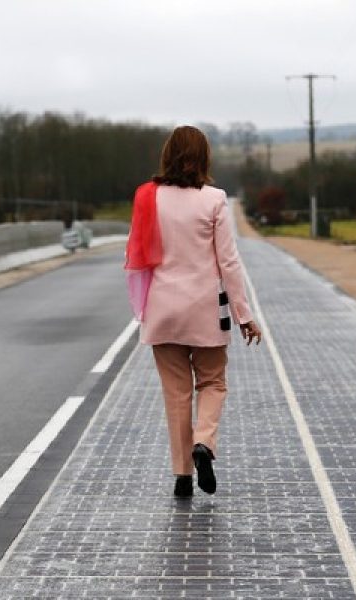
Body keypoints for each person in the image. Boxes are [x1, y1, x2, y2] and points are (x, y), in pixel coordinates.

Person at [127, 125, 262, 498]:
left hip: (162, 310)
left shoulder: (148, 198)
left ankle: (182, 476)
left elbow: (138, 256)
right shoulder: (215, 199)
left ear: (167, 154)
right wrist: (244, 314)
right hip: (205, 310)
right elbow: (229, 263)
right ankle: (204, 442)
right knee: (213, 382)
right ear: (204, 157)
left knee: (176, 394)